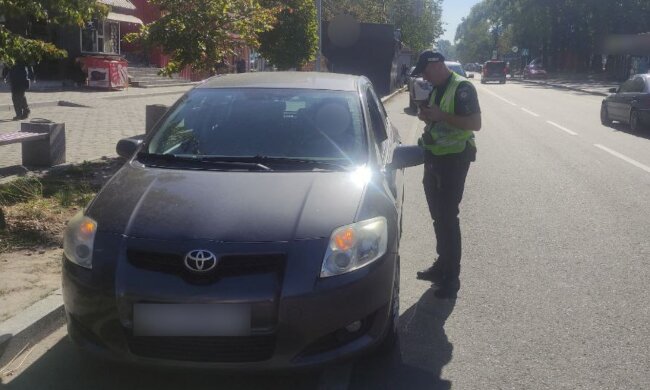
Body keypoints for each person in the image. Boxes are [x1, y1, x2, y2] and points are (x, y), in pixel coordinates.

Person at [410, 51, 482, 299]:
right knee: (438, 216)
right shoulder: (438, 87)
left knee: (448, 217)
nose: (425, 77)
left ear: (438, 66)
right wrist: (427, 116)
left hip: (454, 159)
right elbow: (436, 118)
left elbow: (475, 123)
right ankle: (442, 265)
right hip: (434, 157)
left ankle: (451, 278)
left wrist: (441, 116)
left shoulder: (462, 88)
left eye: (426, 72)